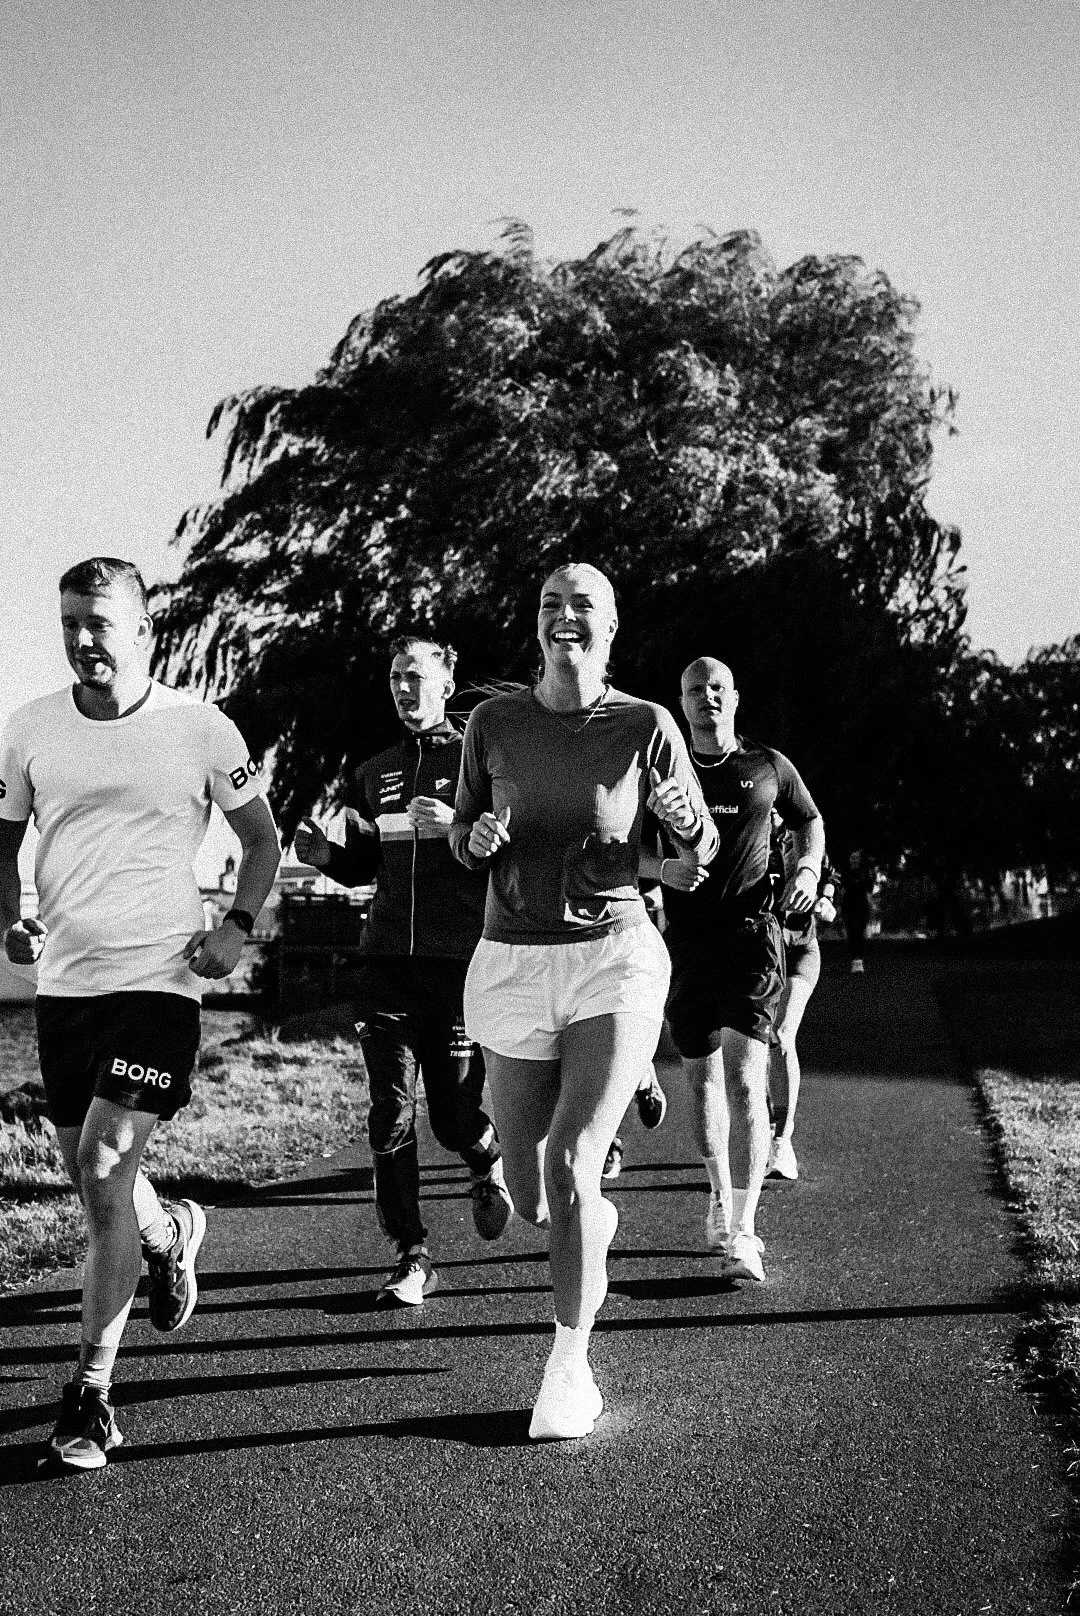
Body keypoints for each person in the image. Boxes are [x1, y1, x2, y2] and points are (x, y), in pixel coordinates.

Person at [0, 557, 281, 1471]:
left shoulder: (198, 726)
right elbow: (3, 840)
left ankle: (90, 1396)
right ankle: (172, 1233)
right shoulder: (31, 727)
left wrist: (237, 926)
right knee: (102, 1190)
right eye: (71, 621)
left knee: (103, 1158)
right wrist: (13, 911)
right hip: (67, 985)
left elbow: (261, 839)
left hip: (162, 979)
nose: (84, 638)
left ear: (143, 630)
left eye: (101, 622)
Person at [450, 562, 717, 1440]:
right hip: (512, 962)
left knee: (571, 1161)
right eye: (550, 605)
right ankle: (585, 1220)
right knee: (534, 1197)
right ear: (536, 625)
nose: (566, 617)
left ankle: (570, 1369)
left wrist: (683, 816)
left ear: (611, 626)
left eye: (584, 606)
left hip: (616, 956)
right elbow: (461, 830)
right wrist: (475, 835)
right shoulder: (491, 722)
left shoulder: (646, 723)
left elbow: (700, 845)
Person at [294, 636, 511, 1308]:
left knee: (451, 1118)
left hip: (456, 965)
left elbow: (513, 855)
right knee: (389, 1108)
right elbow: (365, 867)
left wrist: (458, 824)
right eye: (395, 677)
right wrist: (326, 853)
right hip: (386, 963)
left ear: (447, 683)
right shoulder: (373, 772)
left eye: (416, 677)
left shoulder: (481, 758)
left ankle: (486, 1157)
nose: (403, 688)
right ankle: (411, 1253)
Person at [655, 657, 824, 1284]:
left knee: (748, 1079)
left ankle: (747, 1229)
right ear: (682, 702)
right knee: (700, 1083)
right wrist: (661, 871)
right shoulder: (662, 772)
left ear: (735, 697)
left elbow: (810, 820)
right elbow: (626, 844)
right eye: (695, 691)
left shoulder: (768, 766)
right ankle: (720, 1196)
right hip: (686, 945)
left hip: (753, 942)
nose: (707, 699)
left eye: (718, 689)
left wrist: (806, 871)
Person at [764, 815, 839, 1180]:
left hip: (801, 950)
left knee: (780, 1036)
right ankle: (760, 1127)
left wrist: (826, 903)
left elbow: (829, 879)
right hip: (761, 953)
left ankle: (782, 1138)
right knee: (754, 1044)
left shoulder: (804, 835)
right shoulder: (748, 832)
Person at [841, 850, 873, 973]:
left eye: (856, 858)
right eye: (852, 858)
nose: (854, 860)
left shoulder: (865, 873)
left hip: (862, 906)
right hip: (849, 906)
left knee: (860, 932)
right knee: (851, 933)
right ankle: (854, 959)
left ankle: (860, 960)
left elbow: (869, 889)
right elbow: (843, 889)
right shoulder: (846, 873)